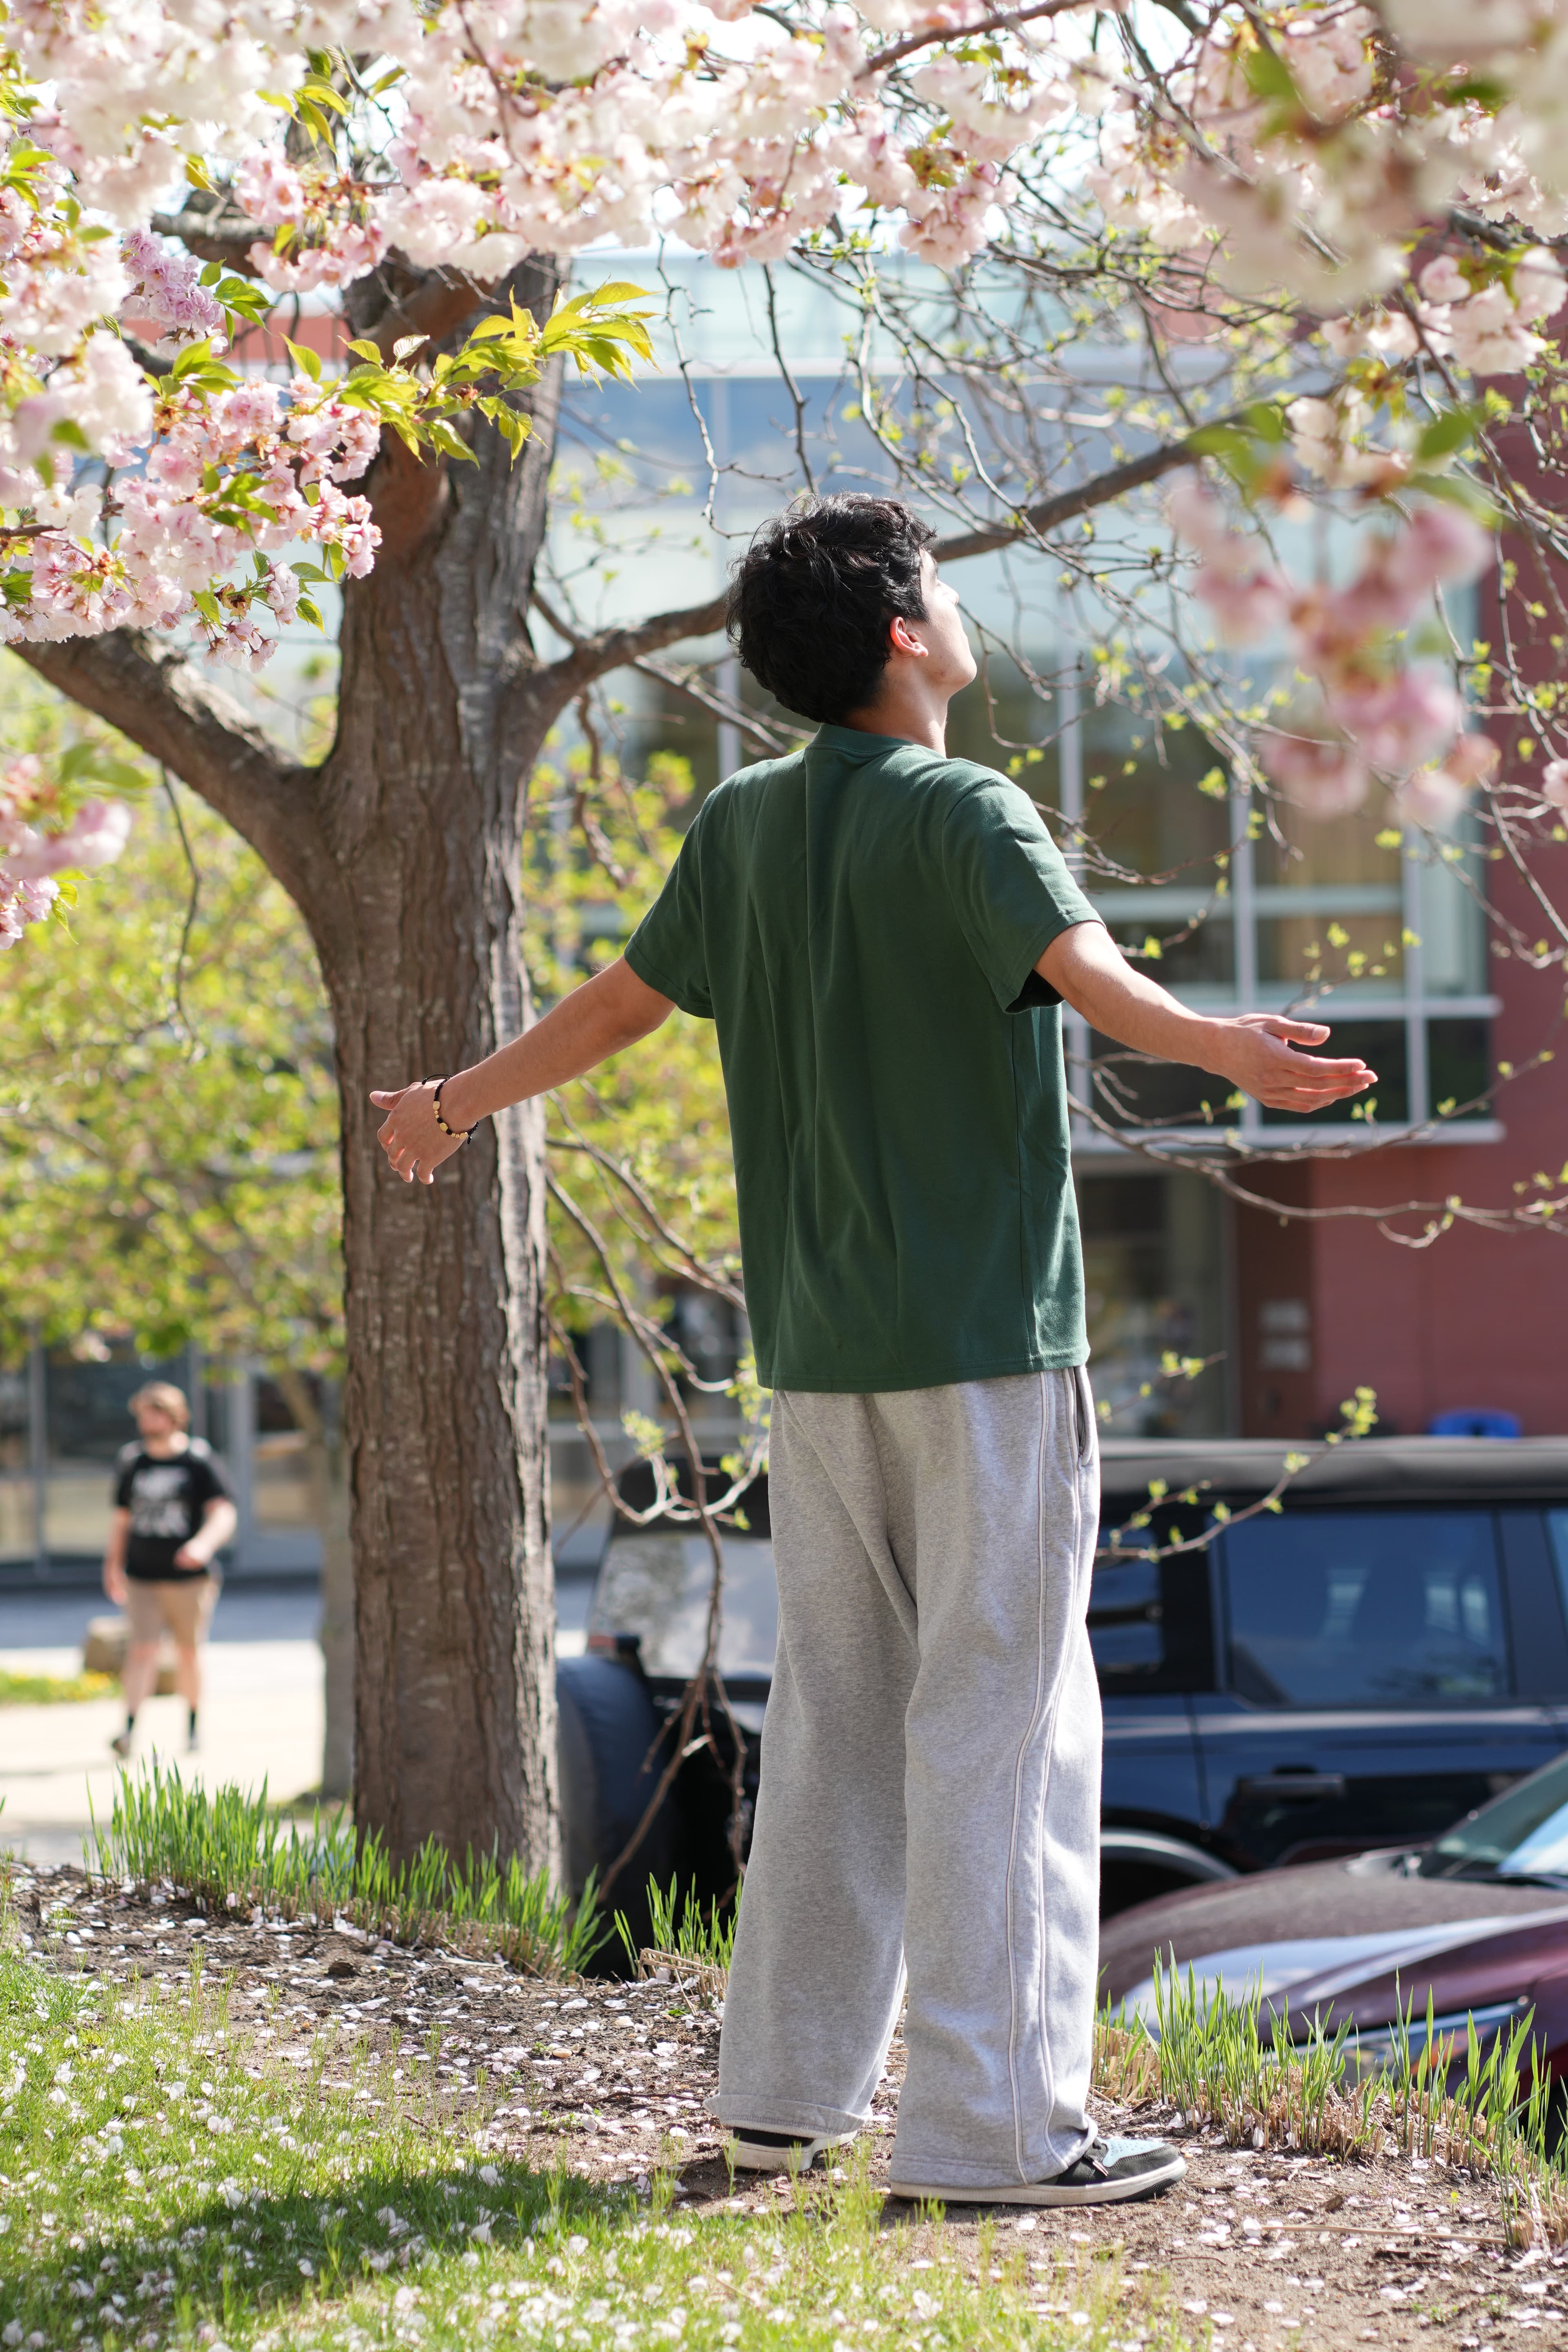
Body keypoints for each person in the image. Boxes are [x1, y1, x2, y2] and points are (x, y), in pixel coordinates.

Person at [371, 494, 1374, 2206]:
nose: (965, 610)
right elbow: (1092, 976)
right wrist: (1226, 1049)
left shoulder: (743, 825)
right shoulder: (965, 808)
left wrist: (452, 1101)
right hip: (985, 1346)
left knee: (836, 1721)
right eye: (947, 590)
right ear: (905, 634)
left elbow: (617, 1005)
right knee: (1007, 1731)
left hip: (821, 1358)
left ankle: (780, 2103)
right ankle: (998, 2137)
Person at [103, 1381, 237, 1760]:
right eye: (143, 1412)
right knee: (142, 1651)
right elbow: (121, 1520)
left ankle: (193, 1728)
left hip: (189, 1580)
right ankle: (128, 1731)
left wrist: (203, 1545)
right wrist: (112, 1565)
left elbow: (224, 1512)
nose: (148, 1419)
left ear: (174, 1415)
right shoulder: (133, 1461)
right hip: (142, 1575)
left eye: (155, 1411)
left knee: (188, 1654)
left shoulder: (198, 1460)